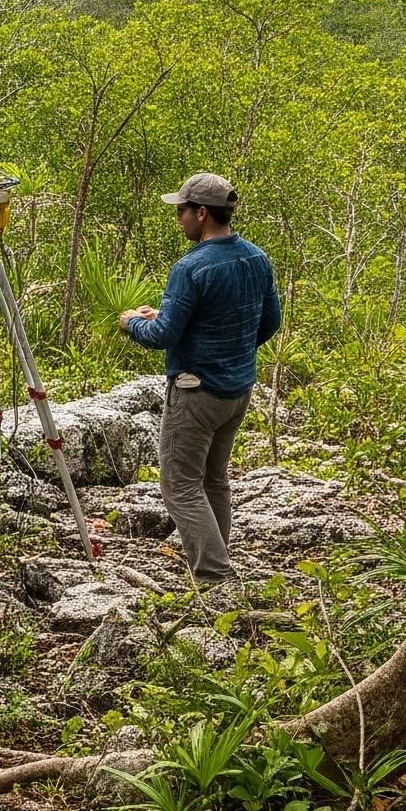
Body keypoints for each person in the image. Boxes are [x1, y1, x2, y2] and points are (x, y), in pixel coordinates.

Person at [118, 172, 282, 584]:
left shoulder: (190, 268)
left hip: (195, 392)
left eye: (182, 211)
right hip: (238, 391)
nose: (179, 219)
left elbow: (162, 336)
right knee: (213, 479)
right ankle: (216, 560)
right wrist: (225, 347)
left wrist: (131, 324)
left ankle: (214, 576)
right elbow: (269, 322)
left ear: (202, 213)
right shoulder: (256, 257)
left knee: (179, 486)